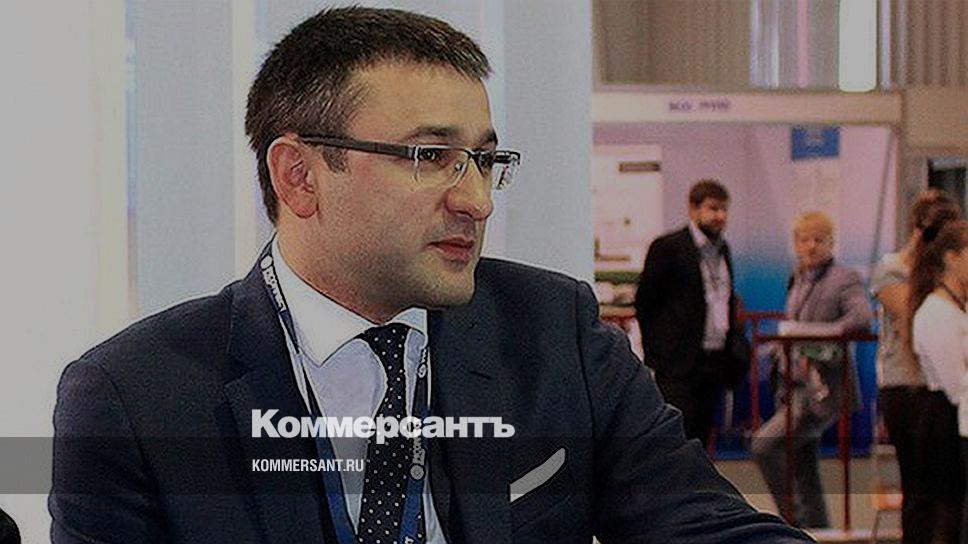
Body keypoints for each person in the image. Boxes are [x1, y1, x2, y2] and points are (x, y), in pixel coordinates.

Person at [49, 7, 812, 544]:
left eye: (484, 159)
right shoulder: (134, 399)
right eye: (429, 156)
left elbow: (704, 524)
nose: (477, 200)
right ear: (299, 176)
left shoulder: (554, 336)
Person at [751, 211, 873, 528]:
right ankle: (815, 530)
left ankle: (793, 523)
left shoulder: (845, 278)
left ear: (831, 242)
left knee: (764, 446)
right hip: (792, 383)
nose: (811, 246)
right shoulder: (797, 277)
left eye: (819, 239)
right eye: (804, 240)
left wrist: (814, 332)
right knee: (805, 466)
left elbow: (862, 318)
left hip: (822, 386)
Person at [872, 190, 961, 544]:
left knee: (945, 485)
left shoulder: (945, 277)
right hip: (904, 387)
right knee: (918, 485)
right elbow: (913, 316)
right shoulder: (892, 270)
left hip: (940, 387)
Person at [635, 179, 747, 446]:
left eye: (724, 209)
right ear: (693, 209)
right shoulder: (668, 247)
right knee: (678, 438)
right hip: (677, 364)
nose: (720, 216)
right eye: (713, 208)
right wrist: (659, 354)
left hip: (714, 359)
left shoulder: (723, 249)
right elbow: (646, 302)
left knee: (702, 437)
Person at [910, 219, 968, 544]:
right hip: (944, 420)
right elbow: (955, 384)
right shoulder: (935, 312)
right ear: (951, 257)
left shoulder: (960, 308)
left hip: (957, 416)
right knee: (946, 514)